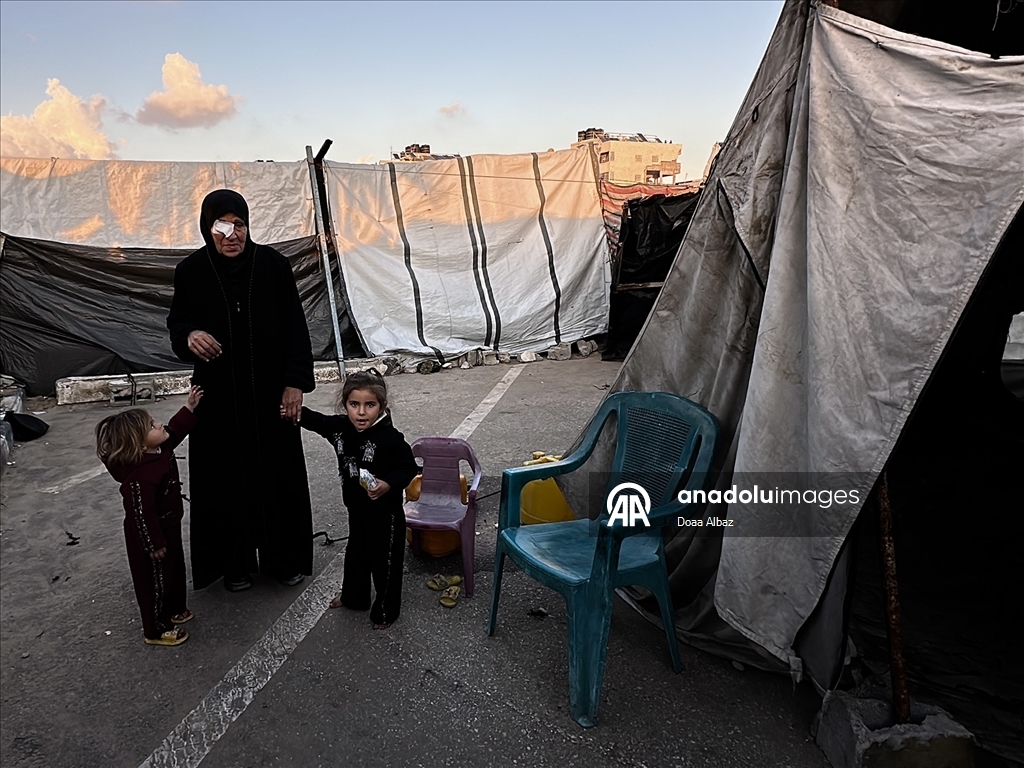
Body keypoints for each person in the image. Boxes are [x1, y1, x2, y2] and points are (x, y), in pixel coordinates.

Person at [167, 189, 315, 592]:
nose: (231, 235)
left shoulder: (273, 265)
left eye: (239, 225)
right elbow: (177, 325)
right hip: (217, 399)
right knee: (224, 480)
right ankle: (234, 564)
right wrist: (190, 335)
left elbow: (295, 327)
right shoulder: (191, 271)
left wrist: (295, 383)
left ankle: (282, 560)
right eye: (221, 226)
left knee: (278, 476)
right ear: (207, 228)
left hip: (271, 395)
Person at [298, 371, 418, 629]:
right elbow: (315, 420)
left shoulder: (391, 438)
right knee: (356, 556)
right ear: (345, 405)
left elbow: (408, 467)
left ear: (381, 406)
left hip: (386, 515)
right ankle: (354, 597)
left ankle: (385, 612)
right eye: (354, 404)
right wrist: (291, 408)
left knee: (385, 564)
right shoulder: (340, 429)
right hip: (356, 509)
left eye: (370, 405)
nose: (361, 412)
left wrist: (388, 484)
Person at [95, 386, 203, 646]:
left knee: (174, 570)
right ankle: (156, 629)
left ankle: (176, 608)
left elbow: (175, 431)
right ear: (140, 444)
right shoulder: (140, 477)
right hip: (150, 537)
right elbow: (140, 514)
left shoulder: (159, 449)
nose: (160, 424)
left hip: (169, 526)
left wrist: (189, 407)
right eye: (153, 426)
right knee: (154, 583)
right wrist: (153, 544)